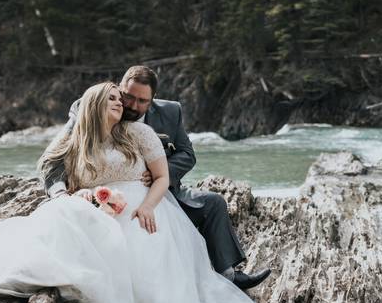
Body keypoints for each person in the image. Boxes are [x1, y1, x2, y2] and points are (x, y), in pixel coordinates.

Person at [0, 82, 271, 303]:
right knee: (59, 212)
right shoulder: (77, 136)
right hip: (97, 204)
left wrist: (147, 205)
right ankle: (21, 276)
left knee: (140, 259)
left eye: (125, 100)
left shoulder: (139, 133)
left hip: (142, 207)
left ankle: (209, 287)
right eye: (114, 99)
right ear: (93, 105)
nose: (123, 104)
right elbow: (51, 168)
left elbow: (166, 172)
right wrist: (74, 194)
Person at [43, 65, 270, 290]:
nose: (133, 106)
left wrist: (158, 174)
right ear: (120, 88)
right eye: (128, 97)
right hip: (106, 194)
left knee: (213, 203)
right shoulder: (91, 106)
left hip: (164, 190)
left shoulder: (170, 112)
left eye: (143, 101)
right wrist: (62, 193)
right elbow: (55, 157)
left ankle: (228, 274)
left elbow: (187, 154)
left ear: (153, 100)